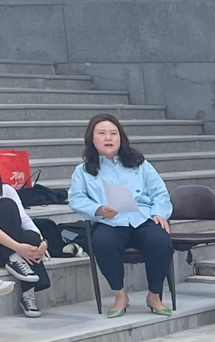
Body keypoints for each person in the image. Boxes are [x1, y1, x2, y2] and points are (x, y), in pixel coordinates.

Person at [66, 113, 173, 318]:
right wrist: (98, 209)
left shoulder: (140, 164)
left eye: (113, 133)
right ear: (92, 139)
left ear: (121, 137)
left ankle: (154, 295)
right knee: (104, 243)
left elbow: (160, 192)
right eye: (102, 133)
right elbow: (76, 199)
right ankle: (120, 295)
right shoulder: (83, 171)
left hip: (142, 217)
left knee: (160, 241)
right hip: (109, 221)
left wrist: (159, 212)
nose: (108, 138)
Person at [1, 182, 50, 318]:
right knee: (6, 205)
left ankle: (28, 295)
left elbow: (23, 219)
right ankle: (13, 258)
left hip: (8, 244)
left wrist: (42, 241)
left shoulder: (7, 190)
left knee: (31, 237)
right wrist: (17, 248)